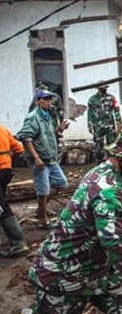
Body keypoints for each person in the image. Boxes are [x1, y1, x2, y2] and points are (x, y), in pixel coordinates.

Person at [27, 130, 122, 314]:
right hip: (65, 271)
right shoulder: (107, 188)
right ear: (120, 159)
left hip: (96, 265)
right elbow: (112, 239)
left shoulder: (106, 173)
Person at [17, 89, 69, 228]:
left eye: (49, 99)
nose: (48, 102)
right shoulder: (33, 117)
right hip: (40, 160)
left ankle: (41, 210)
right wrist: (36, 157)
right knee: (43, 190)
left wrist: (60, 129)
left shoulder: (47, 116)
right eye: (45, 99)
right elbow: (25, 137)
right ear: (38, 101)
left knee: (61, 183)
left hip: (51, 158)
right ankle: (43, 220)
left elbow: (48, 133)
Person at [0, 123, 28, 257]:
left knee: (2, 207)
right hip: (6, 170)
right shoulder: (3, 129)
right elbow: (18, 148)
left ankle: (18, 244)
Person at [88, 84, 122, 162]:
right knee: (98, 144)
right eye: (102, 88)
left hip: (110, 125)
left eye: (105, 88)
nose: (104, 89)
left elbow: (116, 110)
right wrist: (90, 125)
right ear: (98, 89)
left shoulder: (111, 98)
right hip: (98, 125)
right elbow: (90, 113)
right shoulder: (92, 99)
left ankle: (112, 161)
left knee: (111, 144)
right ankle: (99, 162)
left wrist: (118, 122)